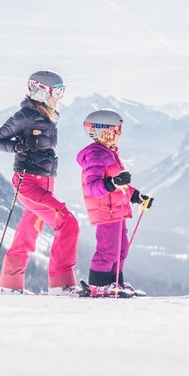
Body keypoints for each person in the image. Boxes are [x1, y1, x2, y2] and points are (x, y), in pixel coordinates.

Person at [0, 70, 82, 296]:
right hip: (28, 182)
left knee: (27, 233)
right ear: (41, 91)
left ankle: (10, 285)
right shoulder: (25, 115)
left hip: (46, 181)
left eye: (61, 92)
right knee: (67, 223)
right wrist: (19, 147)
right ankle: (61, 284)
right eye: (57, 92)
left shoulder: (48, 114)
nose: (59, 97)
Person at [76, 109, 154, 298]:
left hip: (117, 210)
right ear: (104, 131)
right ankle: (98, 284)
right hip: (106, 211)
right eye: (116, 130)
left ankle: (115, 282)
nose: (119, 134)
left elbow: (122, 185)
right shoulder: (95, 155)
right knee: (108, 249)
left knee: (121, 249)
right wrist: (113, 183)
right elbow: (94, 188)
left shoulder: (109, 153)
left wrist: (137, 197)